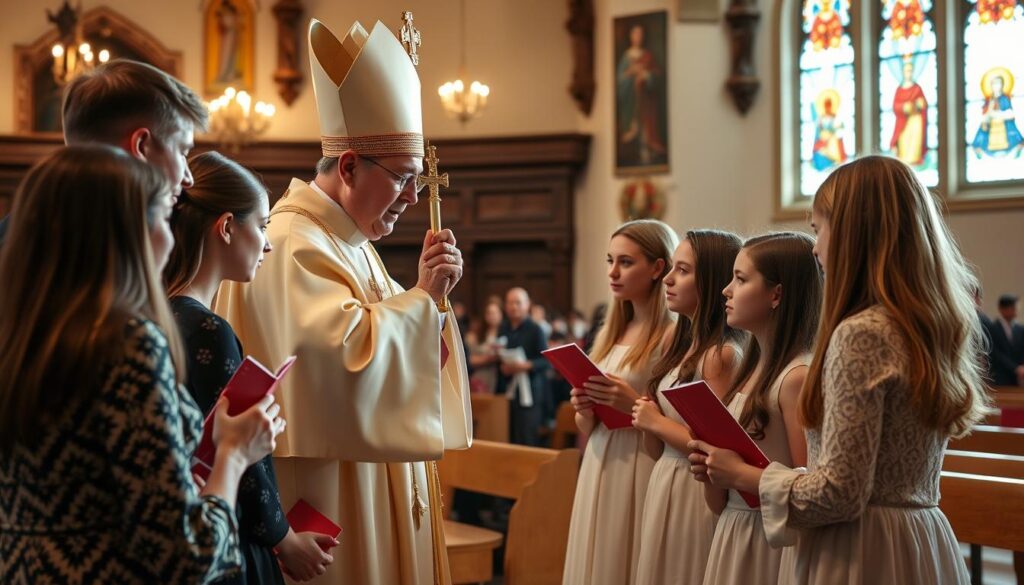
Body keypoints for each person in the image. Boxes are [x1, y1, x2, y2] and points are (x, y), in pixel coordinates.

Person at [213, 17, 472, 585]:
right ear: (349, 165)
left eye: (415, 183)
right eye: (402, 178)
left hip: (373, 488)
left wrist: (434, 308)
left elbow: (395, 347)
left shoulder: (351, 242)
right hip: (331, 499)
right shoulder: (288, 242)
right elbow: (338, 363)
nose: (411, 196)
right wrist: (423, 301)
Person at [689, 155, 989, 584]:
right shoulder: (925, 323)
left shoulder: (862, 334)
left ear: (855, 232)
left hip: (864, 551)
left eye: (819, 228)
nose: (815, 247)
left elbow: (839, 494)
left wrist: (746, 476)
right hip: (920, 538)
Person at [0, 145, 283, 583]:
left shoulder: (19, 341)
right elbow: (187, 554)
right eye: (160, 219)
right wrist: (233, 453)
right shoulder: (127, 345)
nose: (170, 237)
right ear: (124, 233)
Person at [164, 151, 337, 583]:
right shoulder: (207, 329)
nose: (268, 243)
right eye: (261, 226)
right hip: (227, 545)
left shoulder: (159, 314)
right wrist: (284, 540)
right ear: (225, 227)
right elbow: (238, 460)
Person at [699, 232, 822, 585]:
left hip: (772, 543)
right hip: (735, 529)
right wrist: (711, 469)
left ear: (776, 294)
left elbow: (807, 483)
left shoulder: (797, 376)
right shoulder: (750, 371)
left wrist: (735, 472)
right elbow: (721, 501)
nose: (726, 290)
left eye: (740, 279)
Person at [562, 220, 677, 585]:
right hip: (600, 457)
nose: (613, 272)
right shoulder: (613, 331)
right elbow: (587, 425)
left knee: (624, 559)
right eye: (610, 260)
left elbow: (674, 421)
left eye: (626, 262)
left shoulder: (671, 334)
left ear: (658, 268)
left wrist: (633, 404)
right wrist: (583, 407)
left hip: (639, 460)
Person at [629, 230, 744, 585]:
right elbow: (655, 447)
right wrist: (649, 422)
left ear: (712, 279)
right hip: (666, 477)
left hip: (696, 488)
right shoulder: (681, 346)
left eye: (683, 270)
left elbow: (718, 447)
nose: (668, 278)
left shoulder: (721, 355)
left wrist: (655, 422)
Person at [0, 58, 205, 245]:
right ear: (142, 146)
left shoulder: (23, 229)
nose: (188, 179)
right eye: (182, 152)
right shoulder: (107, 252)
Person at [497, 287, 550, 446]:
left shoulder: (535, 329)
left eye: (518, 303)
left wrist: (525, 366)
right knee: (508, 437)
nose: (514, 307)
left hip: (530, 393)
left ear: (527, 305)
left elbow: (546, 360)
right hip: (508, 391)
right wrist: (504, 366)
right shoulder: (503, 328)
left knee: (527, 438)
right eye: (510, 303)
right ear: (505, 306)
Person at [890, 57, 928, 166]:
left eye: (910, 71)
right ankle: (905, 165)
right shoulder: (899, 89)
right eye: (906, 71)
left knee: (914, 146)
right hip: (903, 123)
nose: (908, 73)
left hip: (915, 122)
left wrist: (920, 104)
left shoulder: (917, 88)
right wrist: (904, 107)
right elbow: (895, 106)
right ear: (903, 72)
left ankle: (914, 165)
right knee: (904, 145)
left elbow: (923, 103)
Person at [466, 300, 505, 394]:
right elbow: (470, 360)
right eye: (489, 313)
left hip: (500, 379)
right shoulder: (475, 335)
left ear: (501, 314)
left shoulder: (506, 332)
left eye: (495, 313)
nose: (492, 316)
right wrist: (489, 358)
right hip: (481, 377)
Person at [988, 293, 1024, 386]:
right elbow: (995, 353)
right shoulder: (993, 328)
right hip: (1000, 376)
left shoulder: (1020, 329)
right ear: (1002, 309)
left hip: (1017, 378)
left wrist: (1021, 368)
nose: (1016, 310)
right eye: (1012, 308)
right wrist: (1015, 368)